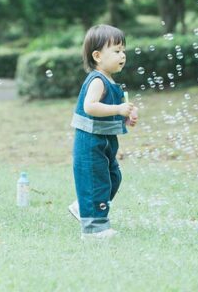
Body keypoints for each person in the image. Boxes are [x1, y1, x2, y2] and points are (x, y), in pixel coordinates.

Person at [68, 24, 139, 238]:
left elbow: (107, 111)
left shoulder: (110, 80)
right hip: (90, 143)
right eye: (116, 51)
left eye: (123, 50)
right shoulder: (97, 81)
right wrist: (118, 108)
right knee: (96, 181)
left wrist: (125, 116)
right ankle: (93, 229)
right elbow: (91, 107)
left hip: (105, 141)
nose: (122, 55)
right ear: (97, 56)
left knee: (113, 177)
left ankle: (83, 207)